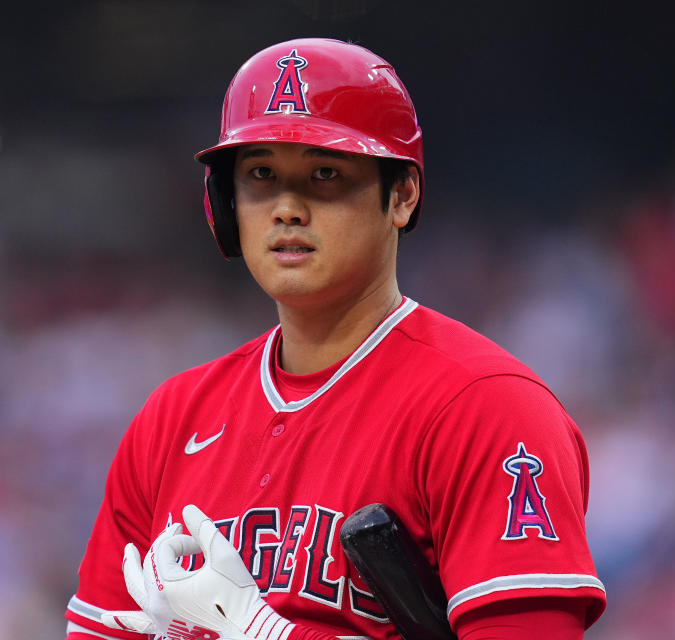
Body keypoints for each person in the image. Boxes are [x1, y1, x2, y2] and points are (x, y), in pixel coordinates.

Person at [64, 38, 606, 640]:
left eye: (326, 173)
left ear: (401, 195)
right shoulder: (170, 421)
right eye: (261, 174)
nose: (287, 207)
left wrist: (270, 634)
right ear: (226, 202)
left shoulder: (487, 406)